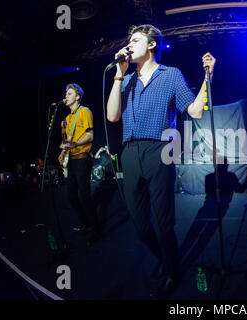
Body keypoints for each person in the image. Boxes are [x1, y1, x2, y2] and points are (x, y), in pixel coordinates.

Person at [106, 24, 216, 299]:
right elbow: (112, 117)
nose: (129, 45)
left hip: (160, 149)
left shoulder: (171, 75)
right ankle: (166, 259)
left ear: (152, 44)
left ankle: (172, 272)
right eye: (128, 41)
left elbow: (194, 111)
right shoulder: (127, 79)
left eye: (135, 40)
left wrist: (208, 77)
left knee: (163, 221)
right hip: (130, 152)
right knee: (140, 224)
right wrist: (119, 77)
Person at [58, 83, 100, 241]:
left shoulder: (84, 112)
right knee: (70, 196)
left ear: (77, 96)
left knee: (84, 195)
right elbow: (67, 142)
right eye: (66, 93)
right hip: (71, 161)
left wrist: (75, 145)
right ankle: (85, 223)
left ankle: (95, 228)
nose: (66, 96)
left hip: (82, 159)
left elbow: (90, 136)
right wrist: (63, 152)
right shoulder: (66, 120)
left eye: (69, 94)